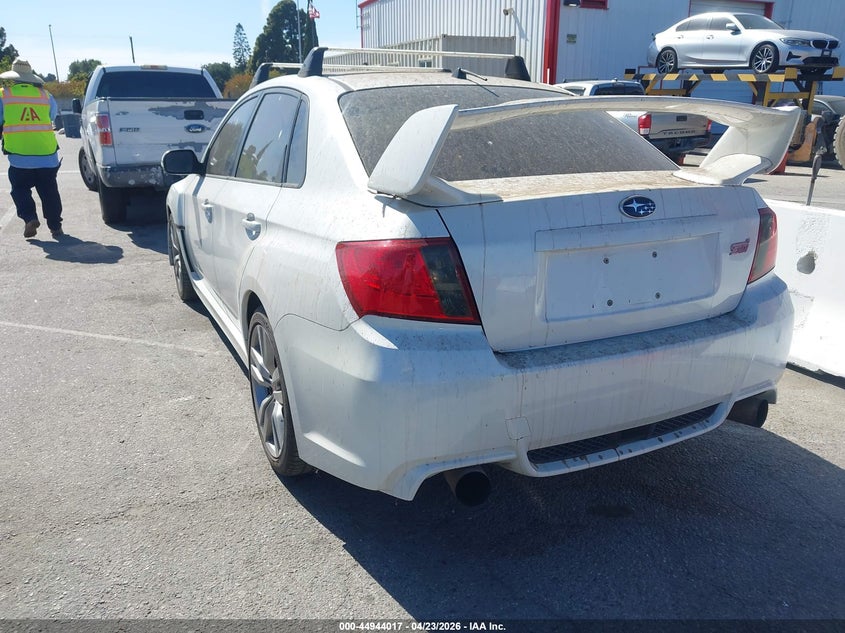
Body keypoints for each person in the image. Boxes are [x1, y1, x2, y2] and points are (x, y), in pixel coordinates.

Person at [0, 58, 64, 238]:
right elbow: (52, 116)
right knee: (49, 191)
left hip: (20, 157)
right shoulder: (46, 96)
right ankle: (56, 227)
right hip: (46, 154)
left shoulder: (4, 95)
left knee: (19, 189)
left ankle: (29, 218)